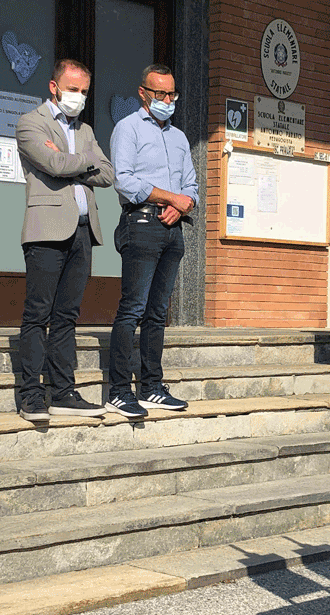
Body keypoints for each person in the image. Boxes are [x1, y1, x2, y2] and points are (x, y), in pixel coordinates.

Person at [14, 59, 113, 422]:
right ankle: (30, 396)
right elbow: (52, 166)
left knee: (67, 316)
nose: (79, 97)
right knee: (37, 314)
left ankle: (63, 391)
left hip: (84, 231)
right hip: (46, 230)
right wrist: (85, 162)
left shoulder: (85, 130)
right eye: (73, 89)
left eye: (85, 91)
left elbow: (108, 174)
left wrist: (73, 159)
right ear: (54, 87)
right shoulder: (30, 123)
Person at [105, 63, 197, 419]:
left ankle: (151, 387)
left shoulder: (179, 137)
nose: (167, 100)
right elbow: (124, 181)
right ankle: (118, 390)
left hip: (173, 230)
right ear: (143, 93)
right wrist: (169, 198)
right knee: (133, 308)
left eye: (171, 93)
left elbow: (191, 186)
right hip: (140, 224)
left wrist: (182, 203)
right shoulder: (126, 129)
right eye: (160, 93)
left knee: (159, 313)